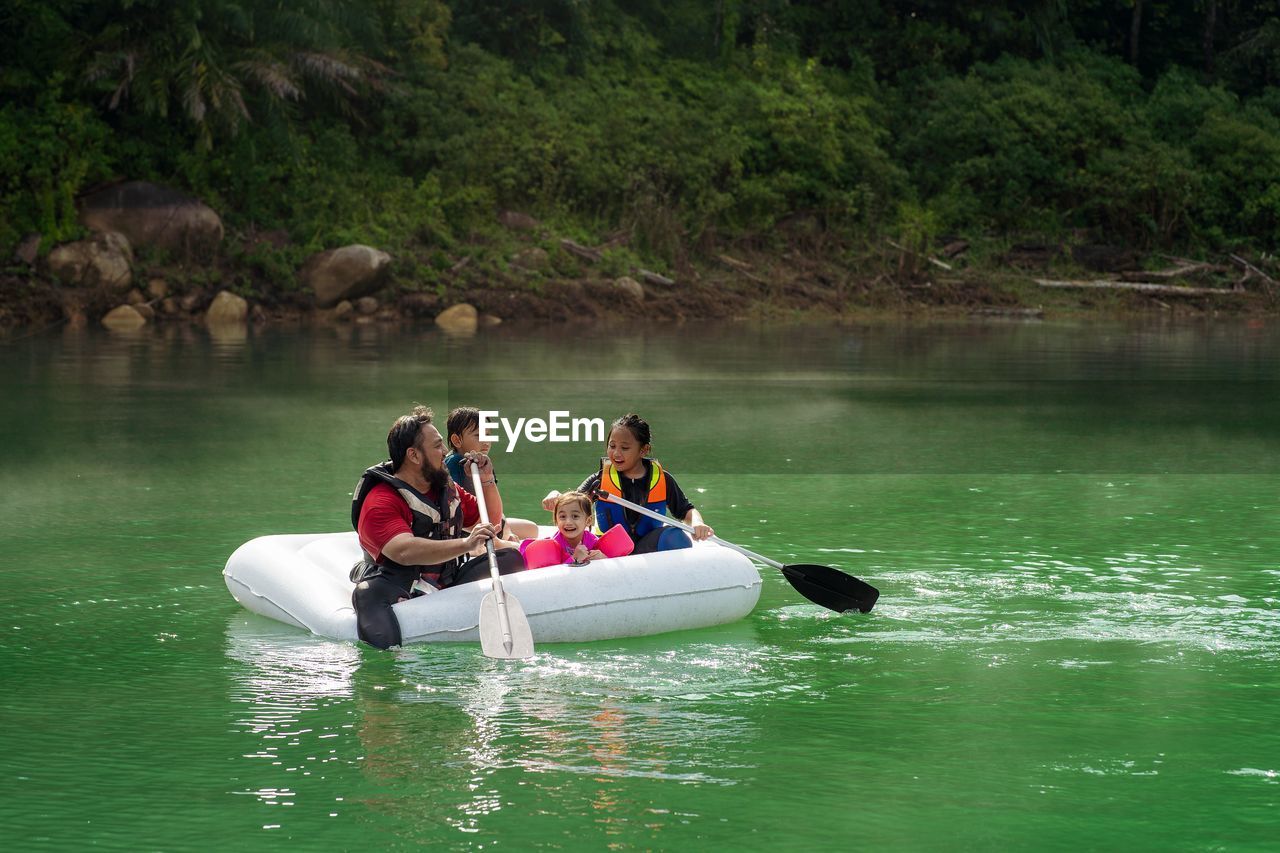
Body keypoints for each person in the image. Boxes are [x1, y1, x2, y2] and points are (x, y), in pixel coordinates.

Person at [351, 405, 524, 649]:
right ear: (414, 455)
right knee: (367, 593)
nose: (445, 452)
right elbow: (403, 550)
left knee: (510, 557)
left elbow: (492, 521)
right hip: (397, 581)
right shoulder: (381, 500)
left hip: (445, 579)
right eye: (437, 446)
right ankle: (387, 664)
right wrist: (466, 543)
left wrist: (486, 480)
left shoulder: (444, 487)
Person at [541, 413, 713, 555]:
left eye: (624, 448)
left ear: (643, 450)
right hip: (608, 550)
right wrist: (555, 494)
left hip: (646, 548)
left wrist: (697, 522)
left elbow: (686, 510)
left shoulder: (663, 479)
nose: (616, 453)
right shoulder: (600, 479)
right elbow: (572, 501)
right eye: (612, 446)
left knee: (676, 536)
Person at [443, 406, 538, 541]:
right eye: (478, 435)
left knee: (532, 529)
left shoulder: (482, 462)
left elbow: (492, 503)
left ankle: (504, 535)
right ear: (457, 440)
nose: (486, 441)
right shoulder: (454, 462)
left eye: (488, 435)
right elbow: (453, 506)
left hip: (487, 519)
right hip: (469, 527)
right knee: (518, 537)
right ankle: (503, 540)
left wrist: (505, 528)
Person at [520, 491, 634, 569]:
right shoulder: (555, 544)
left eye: (575, 516)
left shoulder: (592, 541)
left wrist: (604, 559)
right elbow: (554, 576)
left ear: (588, 521)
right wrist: (574, 560)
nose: (568, 522)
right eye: (562, 517)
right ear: (556, 520)